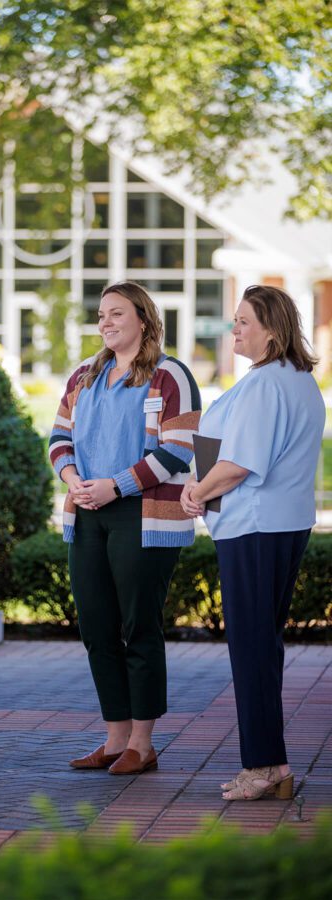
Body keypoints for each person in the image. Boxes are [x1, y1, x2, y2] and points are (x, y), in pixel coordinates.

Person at [49, 282, 201, 775]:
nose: (106, 322)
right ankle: (114, 738)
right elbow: (58, 438)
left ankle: (143, 741)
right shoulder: (83, 376)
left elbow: (180, 447)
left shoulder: (169, 374)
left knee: (138, 625)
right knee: (96, 625)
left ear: (143, 318)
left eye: (116, 313)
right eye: (101, 315)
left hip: (144, 514)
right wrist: (74, 482)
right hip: (87, 512)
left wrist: (115, 486)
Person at [180, 285, 325, 801]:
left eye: (243, 321)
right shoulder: (298, 380)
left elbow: (241, 463)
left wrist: (197, 490)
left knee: (252, 648)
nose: (235, 329)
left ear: (272, 329)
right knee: (262, 646)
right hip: (278, 524)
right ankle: (272, 765)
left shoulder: (267, 384)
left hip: (254, 527)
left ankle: (263, 767)